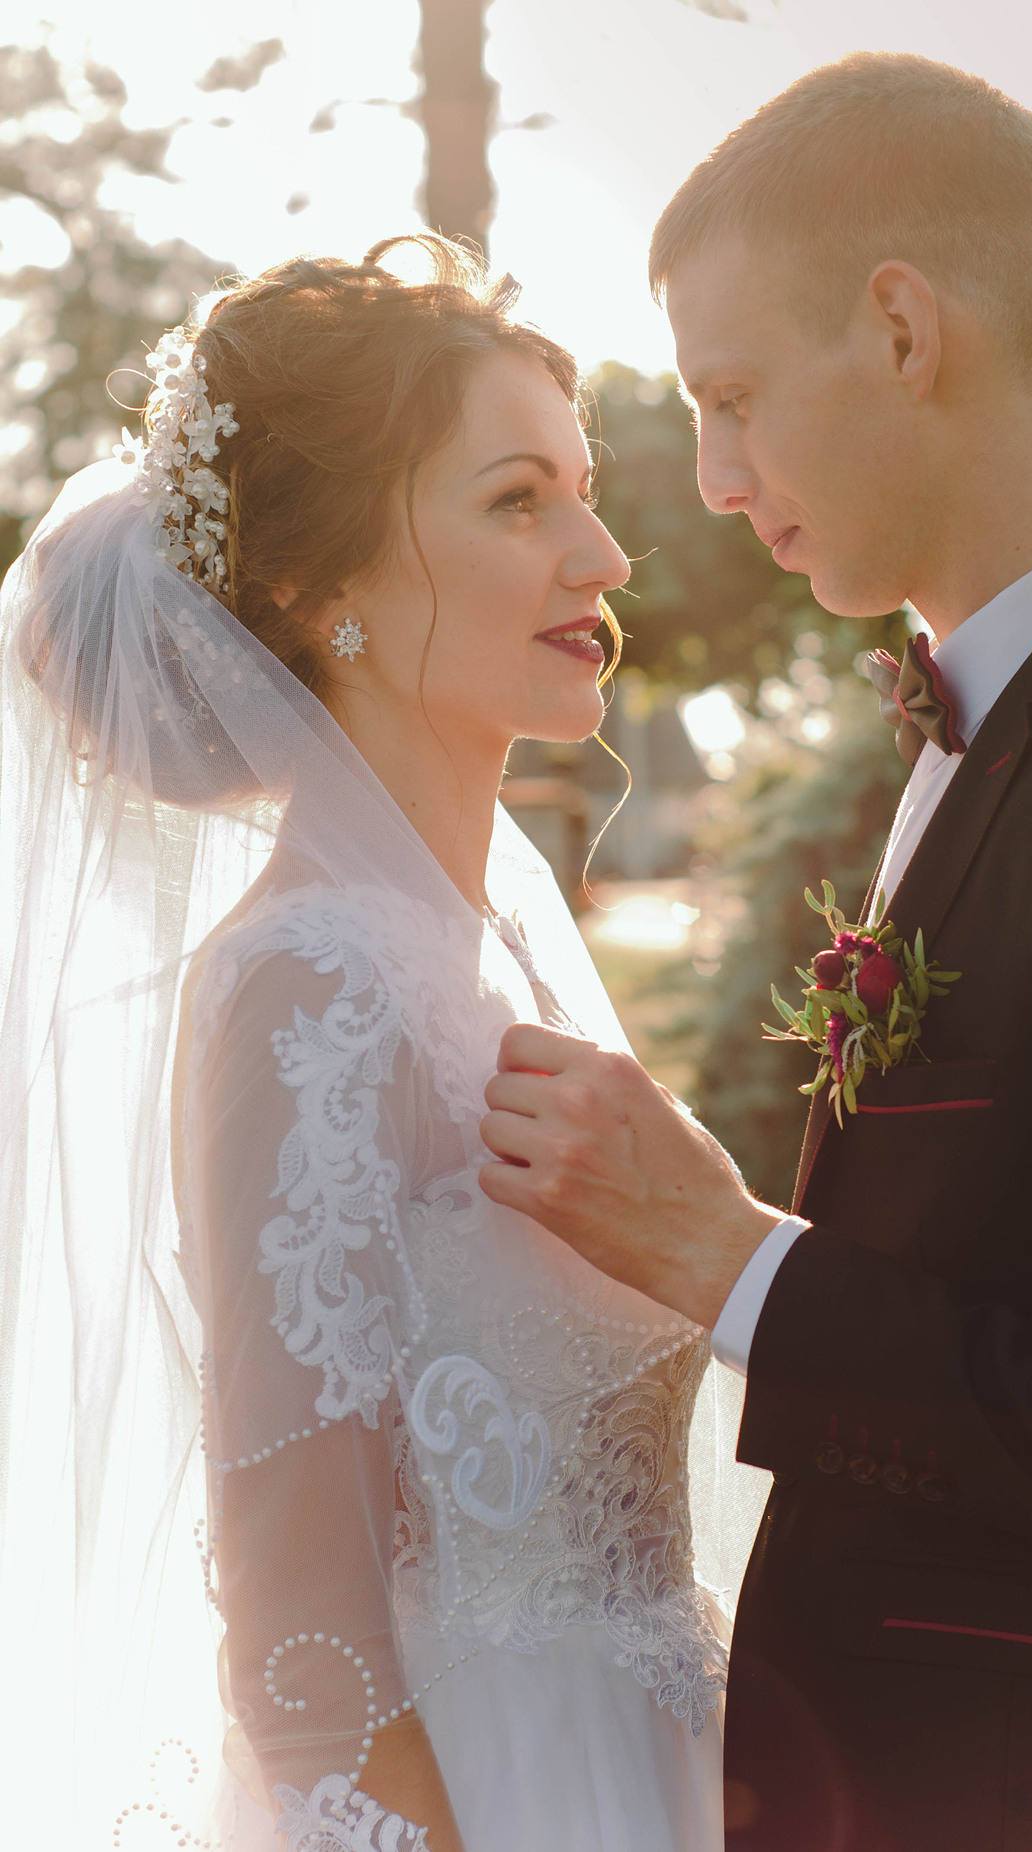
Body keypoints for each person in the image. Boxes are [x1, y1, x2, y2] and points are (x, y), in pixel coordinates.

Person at [478, 52, 1032, 1852]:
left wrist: (735, 1260)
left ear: (902, 327)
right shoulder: (1018, 724)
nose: (717, 481)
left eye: (730, 397)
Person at [0, 237, 729, 1852]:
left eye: (585, 489)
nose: (604, 554)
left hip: (659, 1768)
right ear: (326, 593)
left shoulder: (505, 961)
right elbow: (299, 1652)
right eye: (518, 501)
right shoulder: (299, 982)